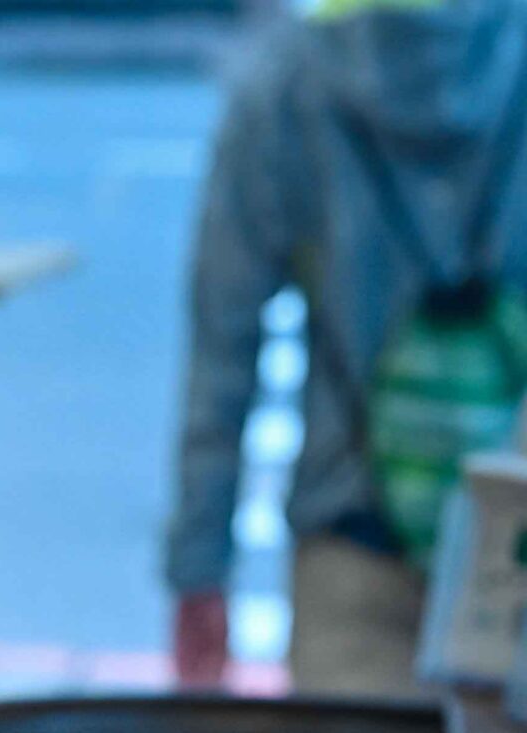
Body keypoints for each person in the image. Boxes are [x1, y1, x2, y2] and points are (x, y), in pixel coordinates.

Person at [167, 0, 527, 693]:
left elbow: (222, 346)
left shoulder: (284, 84)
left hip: (352, 544)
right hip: (511, 547)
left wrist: (200, 568)